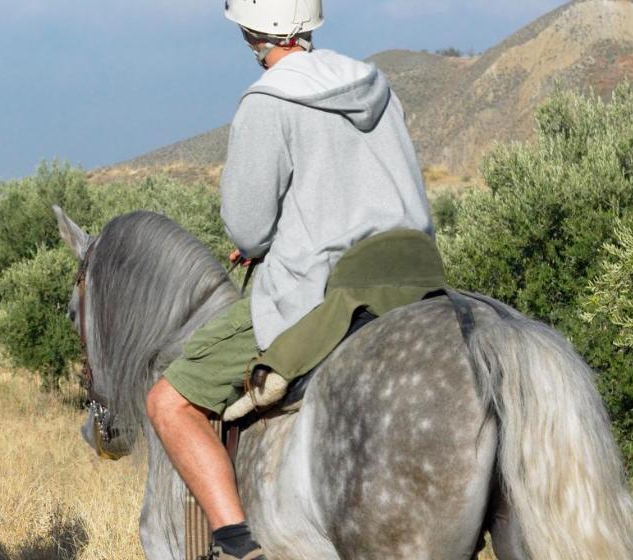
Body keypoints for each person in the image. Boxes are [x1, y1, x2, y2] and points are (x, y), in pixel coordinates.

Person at [144, 2, 434, 559]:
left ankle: (234, 544)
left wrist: (262, 242)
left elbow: (249, 230)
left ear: (252, 33)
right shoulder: (377, 84)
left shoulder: (268, 99)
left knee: (168, 403)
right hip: (415, 276)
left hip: (327, 291)